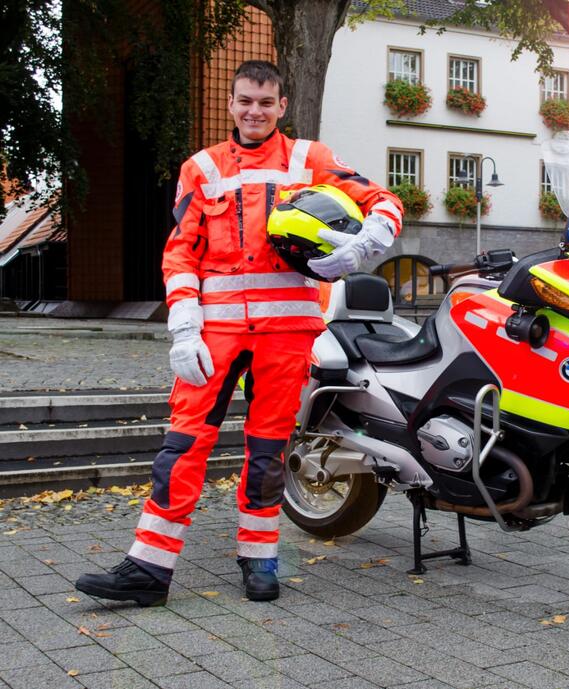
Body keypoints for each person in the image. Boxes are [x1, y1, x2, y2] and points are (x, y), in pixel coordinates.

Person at [75, 60, 403, 606]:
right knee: (182, 446)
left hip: (288, 330)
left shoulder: (311, 159)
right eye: (245, 101)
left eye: (265, 102)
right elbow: (181, 251)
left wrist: (361, 247)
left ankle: (259, 559)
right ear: (231, 104)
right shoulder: (200, 168)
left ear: (282, 107)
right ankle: (149, 570)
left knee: (269, 450)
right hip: (216, 332)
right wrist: (183, 327)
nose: (254, 111)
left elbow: (385, 204)